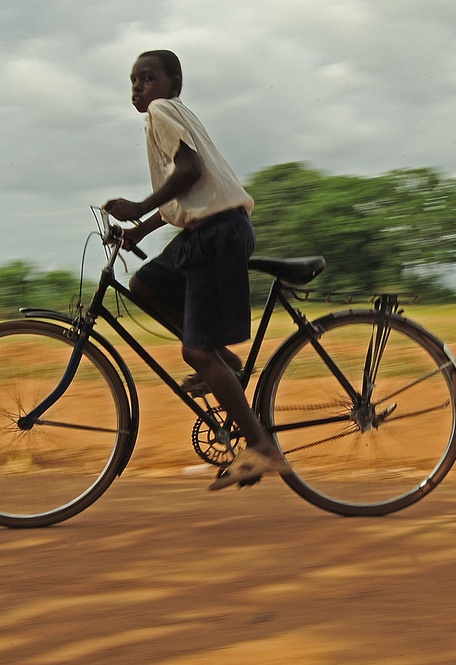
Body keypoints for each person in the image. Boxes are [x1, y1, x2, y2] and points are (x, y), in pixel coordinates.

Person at [103, 49, 289, 491]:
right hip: (210, 231)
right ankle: (225, 361)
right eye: (133, 81)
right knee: (145, 283)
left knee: (196, 352)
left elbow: (189, 171)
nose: (139, 88)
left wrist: (136, 208)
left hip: (218, 233)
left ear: (172, 86)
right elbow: (184, 197)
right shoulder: (171, 116)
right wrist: (143, 230)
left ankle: (261, 448)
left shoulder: (162, 111)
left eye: (148, 78)